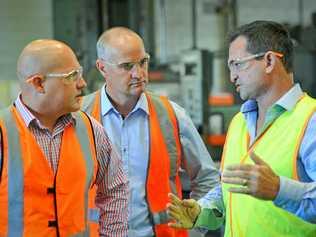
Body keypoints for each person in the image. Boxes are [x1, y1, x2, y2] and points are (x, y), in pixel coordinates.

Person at [167, 20, 316, 237]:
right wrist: (202, 211)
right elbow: (230, 188)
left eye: (237, 64)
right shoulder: (239, 122)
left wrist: (278, 189)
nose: (232, 76)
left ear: (269, 61)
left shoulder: (310, 119)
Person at [81, 27, 219, 237]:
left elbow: (207, 178)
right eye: (127, 66)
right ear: (102, 68)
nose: (138, 73)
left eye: (143, 62)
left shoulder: (172, 115)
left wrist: (195, 228)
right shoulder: (78, 117)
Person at [0, 39, 128, 237]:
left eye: (80, 73)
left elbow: (115, 189)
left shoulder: (90, 130)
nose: (82, 83)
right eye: (71, 76)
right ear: (38, 83)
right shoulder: (3, 135)